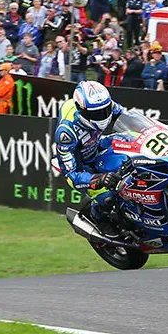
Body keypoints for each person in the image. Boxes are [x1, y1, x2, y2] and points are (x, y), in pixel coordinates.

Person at [53, 82, 125, 233]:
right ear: (82, 111)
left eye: (105, 110)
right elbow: (71, 174)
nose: (103, 116)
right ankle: (97, 218)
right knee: (107, 197)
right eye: (96, 113)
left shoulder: (107, 105)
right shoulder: (66, 132)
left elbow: (127, 118)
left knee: (128, 142)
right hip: (81, 166)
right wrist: (98, 179)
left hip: (96, 145)